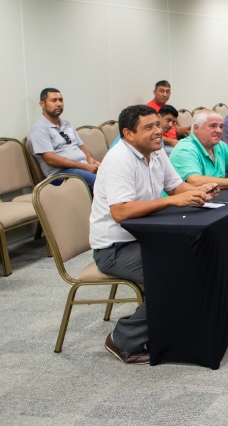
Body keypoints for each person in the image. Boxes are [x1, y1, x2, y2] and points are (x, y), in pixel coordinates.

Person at [89, 105, 219, 364]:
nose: (158, 132)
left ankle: (170, 329)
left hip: (145, 237)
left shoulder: (157, 152)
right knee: (173, 276)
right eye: (148, 128)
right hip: (114, 248)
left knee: (195, 261)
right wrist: (173, 202)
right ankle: (122, 339)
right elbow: (121, 211)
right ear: (128, 134)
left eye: (158, 125)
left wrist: (198, 193)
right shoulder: (119, 160)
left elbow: (174, 187)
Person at [28, 88, 100, 190]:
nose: (59, 104)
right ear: (42, 104)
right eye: (54, 100)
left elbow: (82, 148)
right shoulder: (39, 129)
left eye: (60, 100)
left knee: (112, 176)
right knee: (99, 182)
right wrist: (85, 167)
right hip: (59, 174)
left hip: (81, 168)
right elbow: (50, 159)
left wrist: (91, 161)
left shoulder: (67, 124)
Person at [110, 105, 178, 155]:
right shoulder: (120, 157)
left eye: (158, 125)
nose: (170, 125)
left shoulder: (156, 139)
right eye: (149, 127)